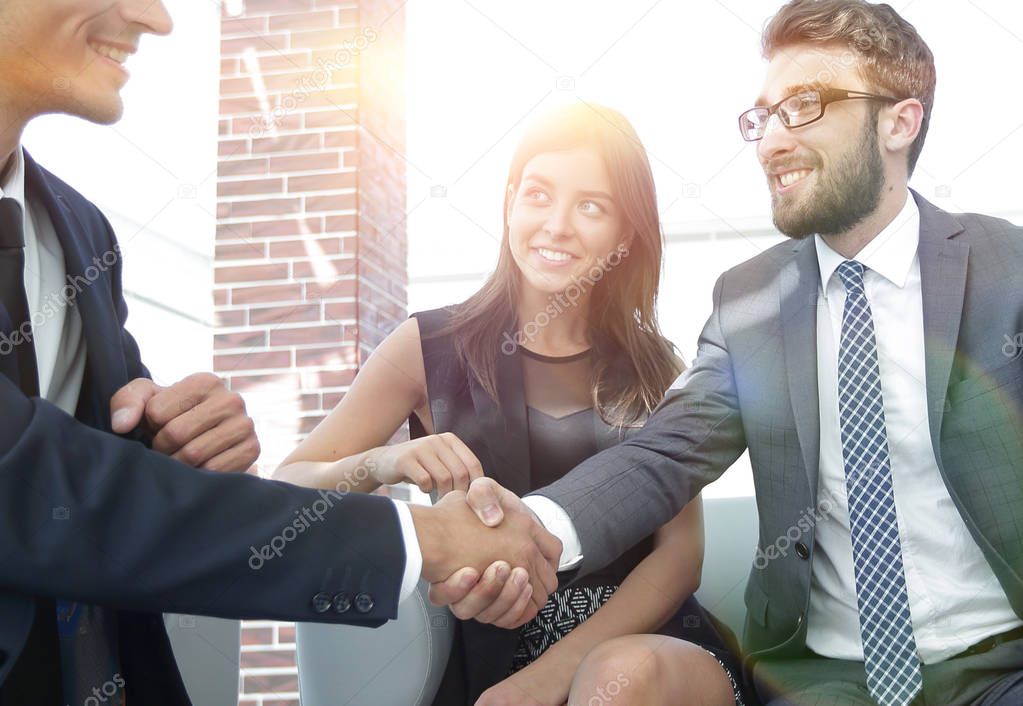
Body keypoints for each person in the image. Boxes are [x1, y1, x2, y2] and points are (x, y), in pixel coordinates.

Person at [433, 2, 1023, 705]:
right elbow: (663, 455)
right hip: (826, 681)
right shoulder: (750, 303)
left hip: (1001, 664)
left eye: (802, 107)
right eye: (762, 116)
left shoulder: (1007, 270)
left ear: (898, 122)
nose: (771, 141)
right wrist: (533, 527)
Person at [0, 2, 559, 704]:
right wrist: (424, 537)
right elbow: (30, 481)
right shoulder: (429, 342)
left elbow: (96, 486)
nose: (156, 18)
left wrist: (166, 446)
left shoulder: (82, 233)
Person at [275, 103, 746, 705]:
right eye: (539, 195)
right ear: (508, 205)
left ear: (625, 234)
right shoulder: (427, 349)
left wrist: (547, 681)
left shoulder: (660, 369)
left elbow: (681, 557)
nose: (557, 225)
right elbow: (290, 488)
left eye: (591, 206)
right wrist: (387, 463)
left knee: (616, 679)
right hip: (493, 653)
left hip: (653, 649)